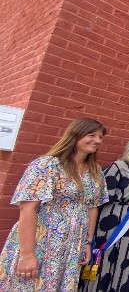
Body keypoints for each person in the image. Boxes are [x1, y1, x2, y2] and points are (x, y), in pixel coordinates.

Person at [0, 118, 109, 291]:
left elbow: (92, 207)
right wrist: (27, 254)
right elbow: (28, 208)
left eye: (100, 137)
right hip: (43, 240)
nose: (97, 140)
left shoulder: (95, 172)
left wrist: (88, 242)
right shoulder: (47, 165)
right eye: (92, 135)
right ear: (75, 135)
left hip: (73, 245)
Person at [78, 130, 129, 292]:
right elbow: (98, 201)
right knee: (104, 267)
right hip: (111, 228)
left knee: (126, 264)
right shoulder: (118, 168)